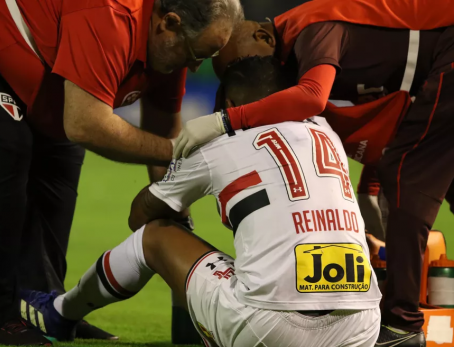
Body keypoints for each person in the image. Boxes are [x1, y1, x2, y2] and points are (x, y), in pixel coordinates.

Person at [0, 0, 242, 345]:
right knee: (3, 151)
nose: (195, 64)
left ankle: (44, 310)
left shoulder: (174, 46)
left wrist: (178, 220)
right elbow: (86, 124)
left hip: (26, 52)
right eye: (195, 53)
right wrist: (179, 153)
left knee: (61, 164)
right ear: (167, 22)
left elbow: (161, 131)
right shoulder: (111, 16)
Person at [19, 56, 382, 346]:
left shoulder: (222, 144)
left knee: (156, 235)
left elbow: (139, 216)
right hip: (362, 327)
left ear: (229, 103)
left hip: (271, 328)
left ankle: (59, 313)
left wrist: (173, 189)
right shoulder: (325, 132)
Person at [173, 0, 454, 345]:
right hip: (442, 62)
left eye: (244, 63)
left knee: (406, 174)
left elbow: (313, 98)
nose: (247, 76)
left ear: (263, 35)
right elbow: (398, 116)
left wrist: (227, 119)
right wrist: (372, 182)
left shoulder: (312, 27)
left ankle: (402, 326)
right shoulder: (322, 59)